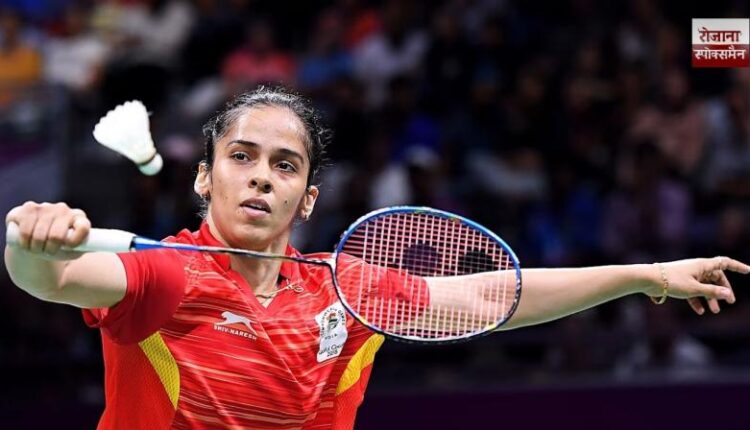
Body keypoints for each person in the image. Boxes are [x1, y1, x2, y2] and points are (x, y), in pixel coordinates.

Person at [4, 86, 749, 430]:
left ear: (307, 198)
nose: (262, 177)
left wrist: (645, 276)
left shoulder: (344, 288)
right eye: (241, 157)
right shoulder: (167, 273)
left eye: (285, 165)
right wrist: (32, 241)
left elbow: (493, 297)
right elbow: (55, 279)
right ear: (204, 178)